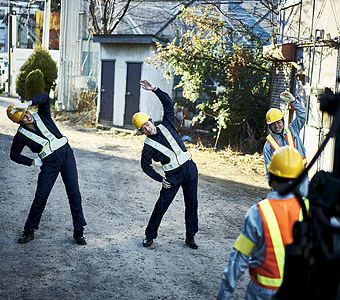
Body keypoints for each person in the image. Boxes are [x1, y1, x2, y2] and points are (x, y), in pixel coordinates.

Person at [217, 146, 309, 300]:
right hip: (298, 290)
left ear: (271, 177)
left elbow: (239, 259)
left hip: (263, 293)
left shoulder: (258, 213)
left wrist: (224, 294)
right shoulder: (309, 209)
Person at [6, 93, 87, 245]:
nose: (27, 116)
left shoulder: (42, 115)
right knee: (40, 197)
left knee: (74, 194)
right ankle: (29, 231)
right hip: (49, 163)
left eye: (27, 112)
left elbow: (45, 97)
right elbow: (14, 155)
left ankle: (79, 232)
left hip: (66, 154)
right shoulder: (21, 135)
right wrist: (31, 162)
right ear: (19, 122)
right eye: (23, 117)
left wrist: (28, 103)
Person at [132, 79, 199, 249]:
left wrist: (154, 89)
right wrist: (160, 179)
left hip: (190, 168)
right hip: (173, 176)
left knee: (192, 204)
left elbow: (168, 103)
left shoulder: (166, 124)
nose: (148, 128)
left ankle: (190, 236)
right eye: (143, 129)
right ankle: (149, 235)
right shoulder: (147, 147)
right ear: (142, 132)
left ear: (151, 121)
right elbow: (145, 166)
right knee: (161, 205)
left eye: (147, 124)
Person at [263, 91, 308, 197]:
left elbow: (302, 114)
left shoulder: (293, 129)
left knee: (303, 205)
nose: (276, 126)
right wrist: (275, 189)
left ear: (283, 121)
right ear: (269, 127)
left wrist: (293, 101)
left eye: (278, 122)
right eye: (273, 124)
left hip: (301, 176)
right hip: (283, 182)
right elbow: (269, 169)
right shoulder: (268, 146)